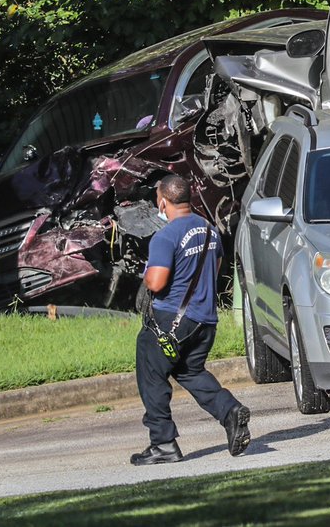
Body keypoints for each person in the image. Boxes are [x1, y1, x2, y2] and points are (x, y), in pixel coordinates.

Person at [131, 174, 251, 465]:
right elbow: (217, 265)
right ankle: (230, 410)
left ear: (162, 200)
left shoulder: (165, 236)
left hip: (171, 321)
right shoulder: (209, 230)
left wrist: (147, 274)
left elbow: (157, 283)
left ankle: (163, 443)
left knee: (152, 373)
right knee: (189, 371)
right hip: (204, 321)